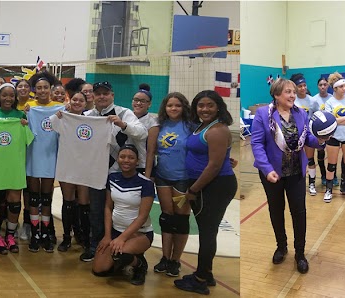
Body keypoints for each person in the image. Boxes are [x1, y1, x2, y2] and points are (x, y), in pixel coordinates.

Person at [252, 78, 326, 276]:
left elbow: (307, 137)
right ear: (277, 95)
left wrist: (320, 140)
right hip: (272, 174)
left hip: (295, 172)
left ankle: (300, 254)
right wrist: (267, 169)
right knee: (276, 211)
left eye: (294, 91)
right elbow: (257, 144)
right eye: (288, 92)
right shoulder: (263, 114)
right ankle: (281, 247)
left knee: (299, 213)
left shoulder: (301, 113)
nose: (293, 95)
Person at [174, 90, 237, 295]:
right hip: (207, 185)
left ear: (218, 106)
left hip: (214, 186)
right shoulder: (202, 126)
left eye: (209, 105)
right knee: (208, 231)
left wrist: (193, 189)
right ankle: (206, 273)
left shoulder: (217, 130)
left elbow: (214, 166)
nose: (205, 109)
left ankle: (200, 280)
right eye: (201, 105)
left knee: (208, 233)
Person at [82, 81, 148, 262]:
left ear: (112, 95)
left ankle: (126, 250)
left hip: (120, 173)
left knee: (121, 210)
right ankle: (96, 246)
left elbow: (142, 133)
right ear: (93, 97)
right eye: (98, 94)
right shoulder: (88, 115)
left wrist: (123, 124)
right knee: (96, 210)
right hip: (96, 171)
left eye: (105, 93)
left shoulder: (125, 113)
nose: (102, 96)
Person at [91, 145, 154, 286]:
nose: (126, 160)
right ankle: (126, 259)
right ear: (118, 159)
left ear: (137, 161)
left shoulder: (146, 183)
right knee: (99, 270)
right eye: (122, 157)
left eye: (131, 158)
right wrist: (108, 236)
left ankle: (139, 264)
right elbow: (108, 207)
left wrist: (121, 238)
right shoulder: (112, 178)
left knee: (118, 253)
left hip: (140, 233)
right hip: (115, 231)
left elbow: (142, 217)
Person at [145, 92, 191, 277]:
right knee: (167, 217)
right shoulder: (158, 126)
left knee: (180, 219)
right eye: (170, 105)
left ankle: (175, 260)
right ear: (165, 107)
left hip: (183, 179)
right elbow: (150, 154)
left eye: (177, 105)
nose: (173, 108)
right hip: (163, 177)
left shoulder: (191, 126)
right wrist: (147, 177)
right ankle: (165, 258)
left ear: (183, 107)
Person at [0, 83, 29, 254]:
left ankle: (10, 235)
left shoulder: (21, 116)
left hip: (15, 166)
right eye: (4, 95)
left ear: (15, 97)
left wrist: (25, 125)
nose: (8, 98)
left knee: (14, 202)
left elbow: (28, 140)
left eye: (11, 95)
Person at [24, 71, 65, 253]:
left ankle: (45, 234)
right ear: (35, 90)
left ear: (50, 89)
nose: (42, 91)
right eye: (39, 88)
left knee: (46, 198)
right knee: (33, 197)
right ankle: (35, 234)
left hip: (50, 156)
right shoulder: (28, 107)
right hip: (32, 156)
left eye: (45, 87)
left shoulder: (60, 108)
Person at [53, 92, 91, 253]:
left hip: (84, 167)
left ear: (86, 103)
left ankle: (84, 237)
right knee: (68, 201)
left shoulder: (91, 119)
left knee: (84, 203)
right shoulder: (63, 117)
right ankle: (66, 237)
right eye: (74, 99)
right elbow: (51, 124)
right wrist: (58, 115)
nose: (77, 102)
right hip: (67, 164)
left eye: (81, 100)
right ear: (70, 101)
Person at [322, 72, 345, 204]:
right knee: (331, 165)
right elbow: (330, 122)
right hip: (333, 137)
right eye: (341, 86)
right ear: (335, 88)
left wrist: (338, 120)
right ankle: (329, 190)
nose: (344, 88)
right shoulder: (329, 103)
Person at [290, 74, 320, 196]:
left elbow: (317, 116)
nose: (302, 88)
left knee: (310, 159)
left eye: (304, 85)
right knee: (296, 160)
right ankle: (296, 182)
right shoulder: (292, 101)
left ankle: (312, 183)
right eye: (300, 86)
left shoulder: (312, 101)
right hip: (294, 135)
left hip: (307, 134)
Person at [131, 83, 158, 175]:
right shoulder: (126, 116)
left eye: (143, 101)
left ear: (149, 104)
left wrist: (147, 175)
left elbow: (151, 151)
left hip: (143, 166)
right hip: (125, 165)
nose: (138, 103)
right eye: (136, 100)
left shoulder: (153, 122)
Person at [312, 77, 333, 186]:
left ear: (328, 85)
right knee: (320, 154)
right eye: (320, 85)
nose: (323, 87)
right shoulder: (314, 100)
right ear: (318, 86)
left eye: (325, 84)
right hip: (319, 133)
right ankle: (323, 175)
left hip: (331, 131)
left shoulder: (332, 98)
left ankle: (332, 176)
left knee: (331, 155)